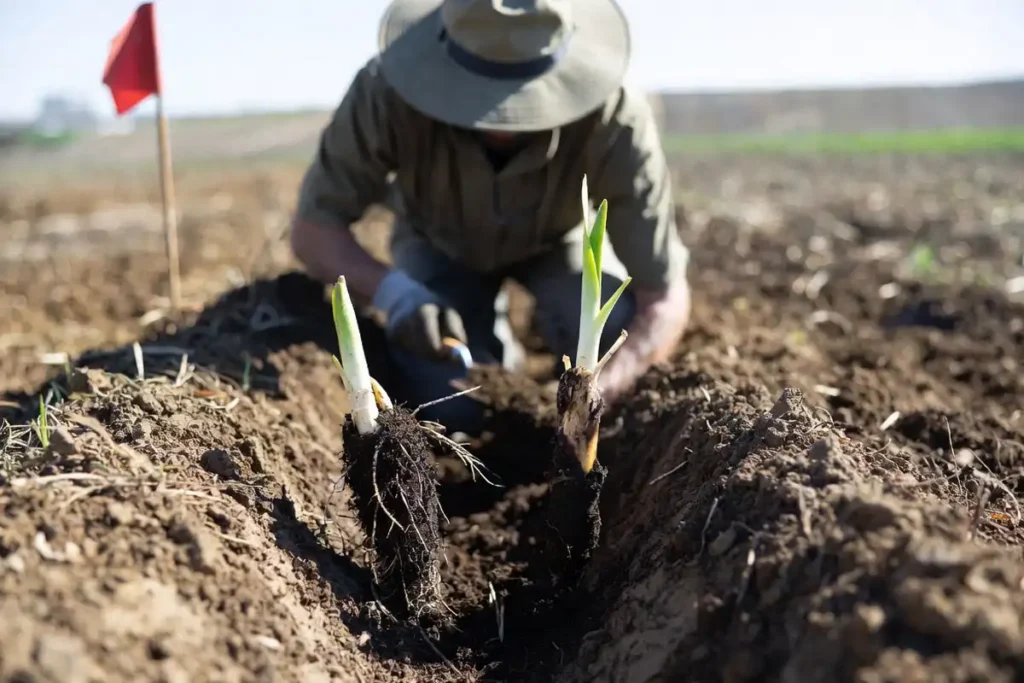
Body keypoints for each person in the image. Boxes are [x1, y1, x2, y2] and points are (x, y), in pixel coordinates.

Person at [289, 0, 691, 435]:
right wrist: (396, 294)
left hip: (559, 243)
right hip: (437, 245)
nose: (504, 121)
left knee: (611, 331)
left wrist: (607, 388)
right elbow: (315, 230)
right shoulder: (385, 92)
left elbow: (663, 297)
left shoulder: (615, 114)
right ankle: (494, 351)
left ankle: (534, 341)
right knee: (450, 402)